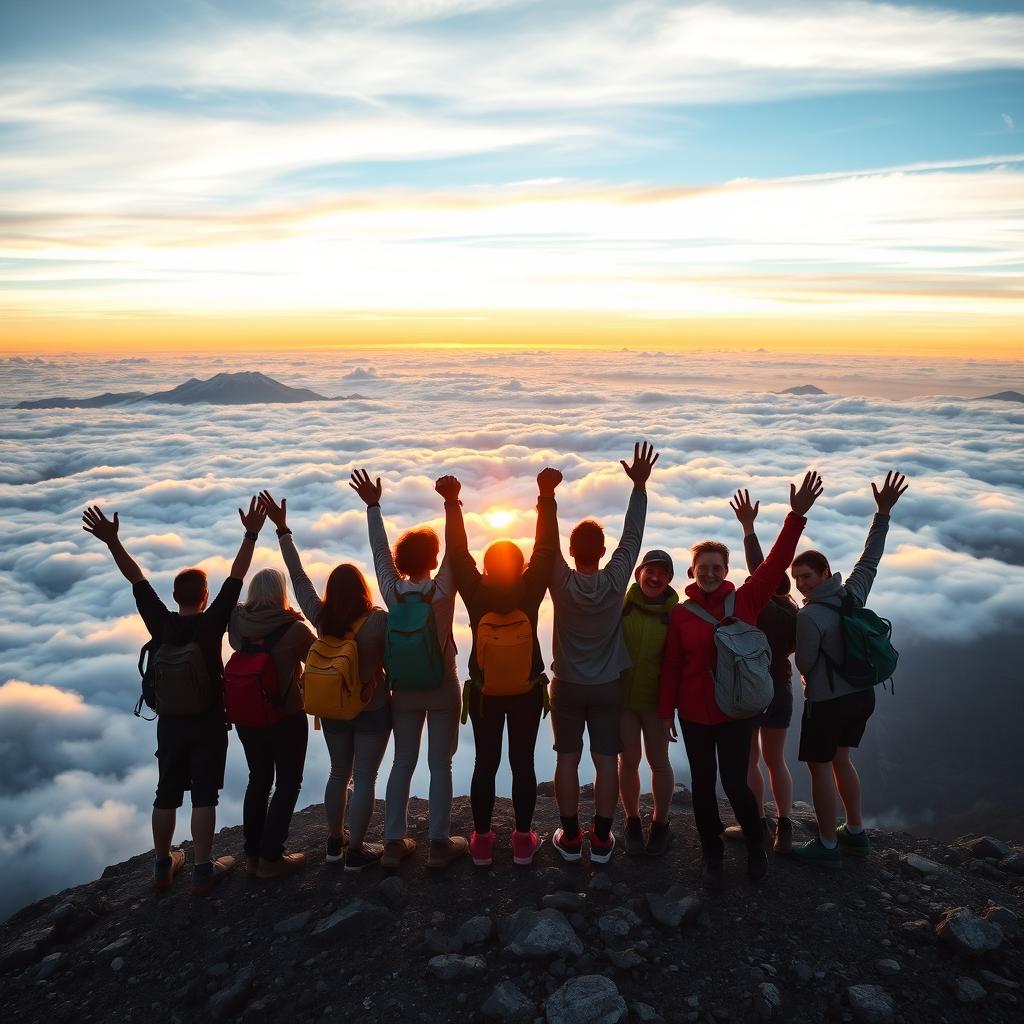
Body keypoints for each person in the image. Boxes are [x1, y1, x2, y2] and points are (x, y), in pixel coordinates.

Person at [81, 498, 265, 895]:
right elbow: (238, 574)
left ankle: (163, 867)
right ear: (204, 596)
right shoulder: (211, 623)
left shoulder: (160, 622)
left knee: (166, 792)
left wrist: (112, 542)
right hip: (209, 721)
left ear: (176, 595)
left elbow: (136, 580)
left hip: (170, 723)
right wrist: (251, 533)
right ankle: (202, 870)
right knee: (204, 793)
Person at [658, 472, 822, 889]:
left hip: (734, 713)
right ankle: (712, 856)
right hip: (694, 714)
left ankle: (755, 846)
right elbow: (672, 664)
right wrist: (665, 715)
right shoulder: (681, 614)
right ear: (693, 572)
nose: (710, 573)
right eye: (703, 568)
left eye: (717, 567)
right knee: (700, 787)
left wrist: (796, 516)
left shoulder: (746, 599)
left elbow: (775, 564)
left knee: (735, 784)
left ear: (726, 571)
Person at [259, 490, 392, 872]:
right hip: (373, 707)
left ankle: (335, 843)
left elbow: (298, 578)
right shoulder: (378, 621)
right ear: (364, 590)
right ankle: (356, 852)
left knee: (339, 773)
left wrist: (283, 531)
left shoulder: (320, 616)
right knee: (365, 777)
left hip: (333, 707)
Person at [434, 468, 561, 868]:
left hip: (484, 690)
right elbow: (546, 548)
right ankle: (523, 841)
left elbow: (456, 552)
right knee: (523, 762)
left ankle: (483, 842)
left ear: (487, 567)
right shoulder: (530, 589)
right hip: (527, 688)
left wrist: (452, 504)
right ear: (520, 566)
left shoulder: (475, 592)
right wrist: (545, 497)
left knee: (484, 763)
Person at [349, 468, 467, 870]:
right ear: (433, 560)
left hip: (403, 691)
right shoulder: (442, 590)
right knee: (440, 764)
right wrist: (452, 503)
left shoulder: (391, 590)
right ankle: (438, 843)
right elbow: (458, 547)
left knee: (402, 762)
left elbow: (378, 553)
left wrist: (373, 507)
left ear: (402, 561)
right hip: (442, 684)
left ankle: (394, 842)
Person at [790, 471, 908, 867]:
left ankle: (826, 845)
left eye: (806, 577)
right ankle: (855, 833)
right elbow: (870, 559)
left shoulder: (809, 618)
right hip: (863, 695)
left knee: (819, 768)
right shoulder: (852, 593)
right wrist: (883, 513)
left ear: (823, 573)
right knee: (843, 759)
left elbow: (805, 662)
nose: (801, 584)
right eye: (797, 579)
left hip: (826, 702)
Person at [548, 441, 659, 864]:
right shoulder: (616, 580)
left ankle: (571, 838)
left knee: (568, 759)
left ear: (572, 551)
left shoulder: (560, 581)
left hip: (569, 686)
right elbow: (634, 537)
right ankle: (602, 840)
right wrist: (639, 487)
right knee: (605, 760)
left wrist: (548, 497)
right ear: (603, 549)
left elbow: (545, 546)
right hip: (609, 685)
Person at [227, 567, 315, 878]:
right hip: (286, 716)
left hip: (247, 714)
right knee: (288, 782)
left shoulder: (236, 621)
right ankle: (271, 857)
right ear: (281, 594)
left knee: (258, 780)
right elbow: (316, 658)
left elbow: (238, 632)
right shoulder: (294, 630)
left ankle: (251, 856)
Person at [725, 489, 799, 854]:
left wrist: (748, 528)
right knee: (776, 760)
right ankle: (785, 825)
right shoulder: (794, 614)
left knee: (752, 759)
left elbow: (760, 567)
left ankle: (756, 821)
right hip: (783, 689)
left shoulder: (761, 608)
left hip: (754, 689)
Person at [618, 549, 679, 856]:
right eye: (649, 571)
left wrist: (669, 710)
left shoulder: (675, 613)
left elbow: (675, 665)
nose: (654, 578)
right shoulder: (622, 605)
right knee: (628, 761)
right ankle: (632, 822)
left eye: (662, 573)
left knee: (659, 763)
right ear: (638, 573)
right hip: (624, 702)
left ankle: (660, 825)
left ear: (669, 579)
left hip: (656, 703)